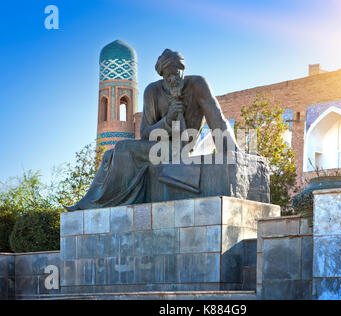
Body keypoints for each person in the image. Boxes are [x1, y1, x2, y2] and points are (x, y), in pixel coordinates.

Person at [66, 49, 239, 211]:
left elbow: (217, 118)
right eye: (167, 75)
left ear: (182, 70)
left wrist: (233, 151)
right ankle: (94, 203)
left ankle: (98, 203)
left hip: (183, 149)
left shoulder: (197, 84)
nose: (172, 79)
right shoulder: (153, 91)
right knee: (108, 155)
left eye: (176, 74)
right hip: (159, 147)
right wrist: (167, 120)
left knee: (123, 148)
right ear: (162, 75)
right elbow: (146, 133)